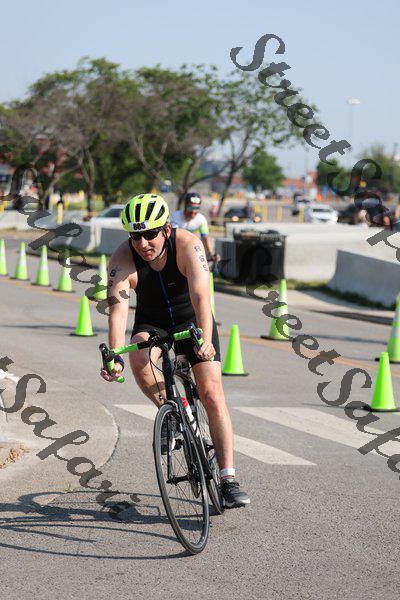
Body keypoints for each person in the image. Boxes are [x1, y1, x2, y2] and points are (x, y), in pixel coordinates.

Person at [100, 193, 250, 509]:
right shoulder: (121, 259)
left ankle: (228, 479)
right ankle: (172, 412)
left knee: (211, 393)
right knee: (139, 358)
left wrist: (205, 340)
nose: (143, 243)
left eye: (150, 234)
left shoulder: (188, 245)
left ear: (166, 229)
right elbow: (118, 311)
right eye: (135, 236)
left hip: (192, 320)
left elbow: (202, 296)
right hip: (152, 321)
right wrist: (114, 356)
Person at [171, 193, 216, 260]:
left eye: (196, 208)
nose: (193, 211)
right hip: (178, 248)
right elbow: (174, 236)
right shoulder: (176, 216)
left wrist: (210, 253)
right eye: (190, 207)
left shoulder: (201, 219)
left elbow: (205, 238)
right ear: (185, 206)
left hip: (193, 249)